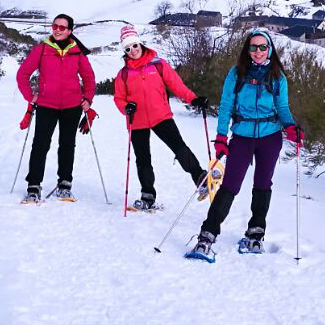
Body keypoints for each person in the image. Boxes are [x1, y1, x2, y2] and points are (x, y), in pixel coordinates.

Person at [191, 30, 303, 258]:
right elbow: (225, 107)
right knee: (230, 185)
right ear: (247, 49)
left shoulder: (277, 76)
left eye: (263, 47)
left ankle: (255, 233)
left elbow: (282, 107)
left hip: (270, 137)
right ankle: (207, 235)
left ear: (270, 49)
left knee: (262, 184)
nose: (258, 51)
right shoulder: (236, 74)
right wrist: (221, 137)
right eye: (253, 47)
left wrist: (290, 127)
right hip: (241, 136)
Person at [113, 24, 210, 210]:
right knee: (143, 160)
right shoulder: (123, 74)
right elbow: (119, 98)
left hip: (161, 116)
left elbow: (176, 85)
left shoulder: (158, 64)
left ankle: (200, 178)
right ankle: (147, 196)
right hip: (137, 121)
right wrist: (127, 108)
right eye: (127, 48)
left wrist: (194, 99)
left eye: (134, 46)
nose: (132, 51)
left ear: (140, 44)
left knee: (179, 148)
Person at [15, 13, 95, 202]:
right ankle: (34, 185)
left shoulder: (77, 52)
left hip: (72, 106)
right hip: (46, 105)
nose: (57, 30)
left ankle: (65, 184)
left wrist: (88, 99)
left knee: (67, 145)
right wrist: (30, 96)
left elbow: (89, 78)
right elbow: (22, 74)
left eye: (62, 27)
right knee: (40, 145)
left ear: (69, 31)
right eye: (55, 26)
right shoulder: (41, 49)